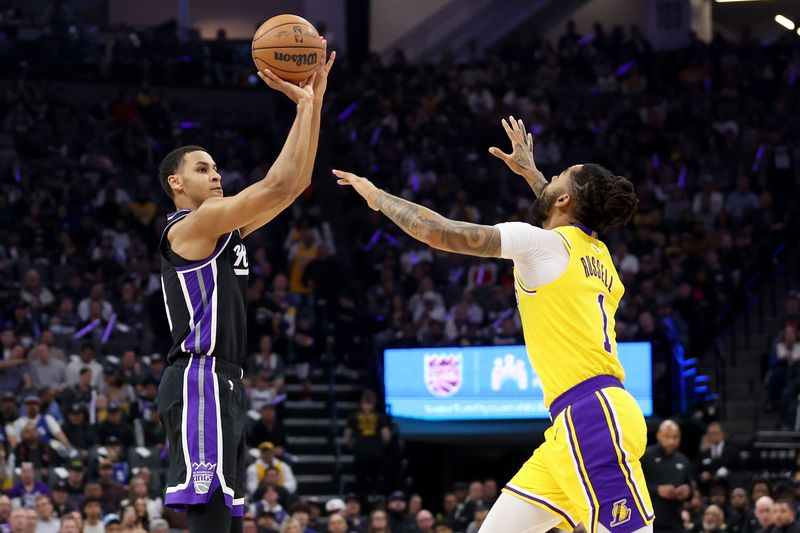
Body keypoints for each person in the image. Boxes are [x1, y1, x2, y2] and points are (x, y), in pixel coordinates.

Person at [336, 116, 651, 533]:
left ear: (564, 202)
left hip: (592, 417)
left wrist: (377, 197)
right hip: (576, 422)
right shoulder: (599, 255)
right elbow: (561, 211)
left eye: (560, 177)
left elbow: (438, 231)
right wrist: (534, 174)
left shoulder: (540, 244)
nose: (552, 177)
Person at [156, 44, 334, 533]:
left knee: (227, 520)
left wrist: (313, 106)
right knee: (210, 517)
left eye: (216, 169)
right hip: (200, 377)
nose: (214, 175)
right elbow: (276, 184)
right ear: (175, 182)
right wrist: (302, 106)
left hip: (226, 380)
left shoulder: (220, 227)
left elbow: (295, 185)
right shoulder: (193, 224)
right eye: (201, 169)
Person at [641, 421, 693, 533]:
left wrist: (687, 493)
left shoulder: (683, 460)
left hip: (675, 521)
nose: (671, 441)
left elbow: (691, 489)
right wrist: (657, 490)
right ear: (658, 435)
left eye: (675, 437)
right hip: (649, 522)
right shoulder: (646, 456)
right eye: (667, 437)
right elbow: (634, 486)